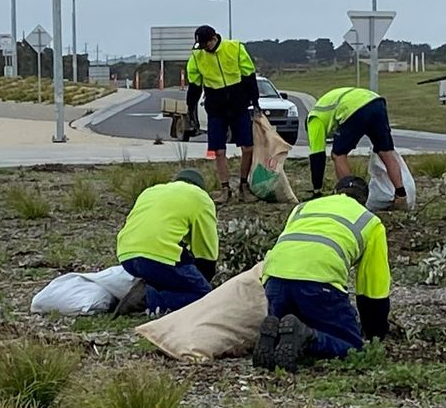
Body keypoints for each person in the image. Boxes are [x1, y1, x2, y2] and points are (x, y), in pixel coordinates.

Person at [253, 175, 391, 372]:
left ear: (334, 192)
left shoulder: (302, 208)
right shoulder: (369, 221)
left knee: (286, 325)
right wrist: (375, 333)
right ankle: (308, 338)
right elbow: (373, 287)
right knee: (352, 346)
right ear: (364, 201)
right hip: (319, 283)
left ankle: (273, 335)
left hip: (275, 278)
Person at [114, 168, 219, 316]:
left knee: (162, 277)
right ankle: (157, 304)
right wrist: (203, 280)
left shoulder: (151, 191)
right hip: (157, 255)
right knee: (205, 298)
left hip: (126, 254)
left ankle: (152, 302)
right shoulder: (200, 198)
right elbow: (207, 250)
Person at [185, 24, 259, 202]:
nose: (204, 49)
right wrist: (190, 108)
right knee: (218, 151)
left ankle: (244, 185)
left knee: (248, 148)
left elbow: (249, 76)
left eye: (206, 45)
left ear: (214, 39)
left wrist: (255, 102)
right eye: (200, 46)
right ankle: (225, 189)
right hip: (216, 107)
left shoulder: (235, 48)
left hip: (238, 104)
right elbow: (194, 85)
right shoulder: (197, 56)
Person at [306, 86, 406, 206]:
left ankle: (351, 196)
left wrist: (317, 190)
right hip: (376, 102)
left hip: (354, 108)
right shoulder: (325, 108)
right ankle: (401, 195)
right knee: (385, 151)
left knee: (338, 155)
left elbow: (317, 157)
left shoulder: (313, 120)